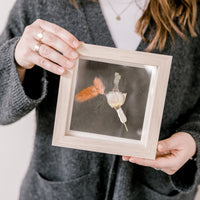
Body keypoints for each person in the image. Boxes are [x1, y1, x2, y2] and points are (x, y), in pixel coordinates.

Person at [0, 0, 199, 199]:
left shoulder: (193, 13)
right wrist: (17, 60)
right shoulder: (42, 4)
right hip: (59, 190)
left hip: (154, 191)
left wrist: (194, 140)